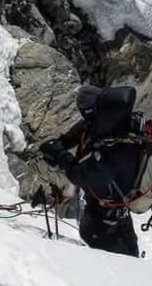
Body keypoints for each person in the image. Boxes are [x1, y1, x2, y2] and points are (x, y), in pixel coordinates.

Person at [40, 84, 144, 257]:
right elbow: (79, 132)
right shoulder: (115, 127)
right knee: (128, 256)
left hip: (104, 223)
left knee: (116, 263)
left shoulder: (114, 149)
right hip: (118, 216)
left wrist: (59, 155)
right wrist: (61, 144)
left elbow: (79, 174)